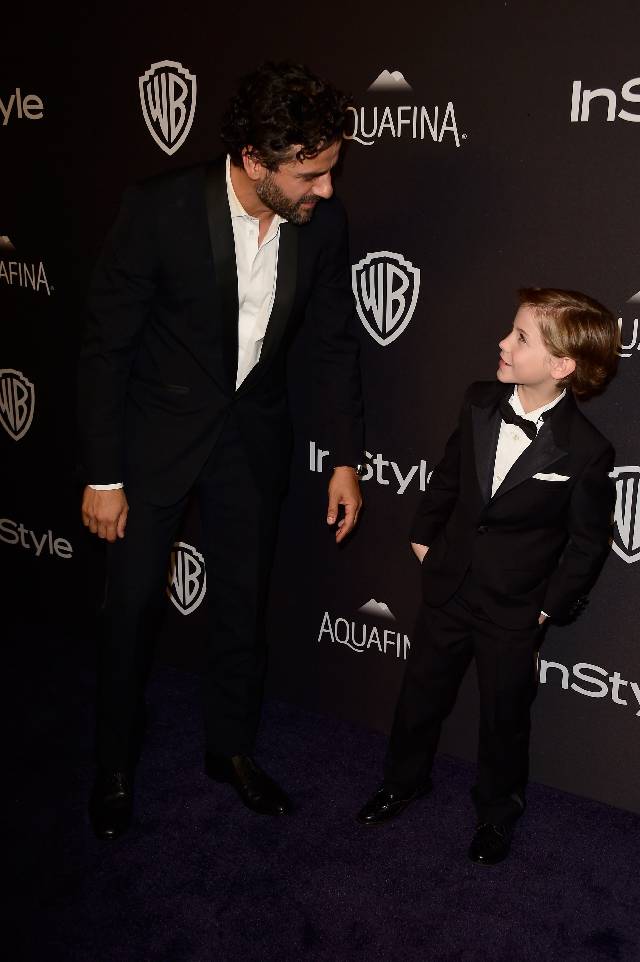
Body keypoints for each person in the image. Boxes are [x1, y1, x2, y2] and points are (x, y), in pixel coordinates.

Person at [79, 61, 364, 839]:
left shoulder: (322, 223)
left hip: (252, 440)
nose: (328, 189)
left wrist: (344, 455)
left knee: (242, 605)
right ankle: (112, 765)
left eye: (331, 170)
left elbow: (333, 342)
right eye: (310, 173)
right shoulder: (159, 207)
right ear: (252, 159)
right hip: (154, 442)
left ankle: (230, 750)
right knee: (130, 611)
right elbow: (107, 347)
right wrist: (104, 473)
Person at [356, 288, 618, 864]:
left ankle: (496, 816)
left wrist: (547, 608)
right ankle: (403, 782)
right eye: (511, 330)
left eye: (521, 337)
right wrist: (422, 536)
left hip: (514, 610)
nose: (502, 342)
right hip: (448, 587)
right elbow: (448, 477)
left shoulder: (587, 450)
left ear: (562, 365)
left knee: (504, 720)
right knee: (420, 694)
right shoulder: (478, 402)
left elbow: (586, 544)